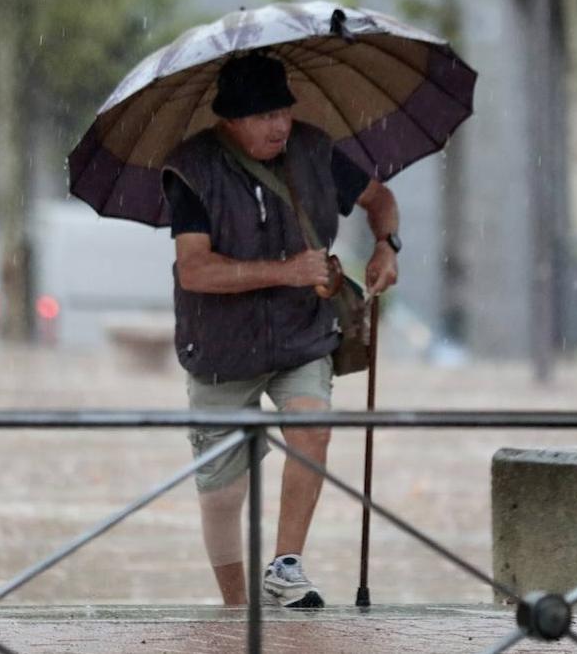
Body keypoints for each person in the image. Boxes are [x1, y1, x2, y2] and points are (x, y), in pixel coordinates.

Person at [161, 51, 401, 608]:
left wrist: (387, 245)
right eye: (263, 116)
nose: (279, 126)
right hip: (219, 347)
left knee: (312, 426)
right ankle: (236, 611)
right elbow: (194, 270)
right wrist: (286, 270)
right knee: (223, 492)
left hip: (302, 334)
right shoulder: (191, 171)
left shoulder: (315, 150)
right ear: (229, 120)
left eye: (284, 111)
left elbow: (380, 199)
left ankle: (286, 566)